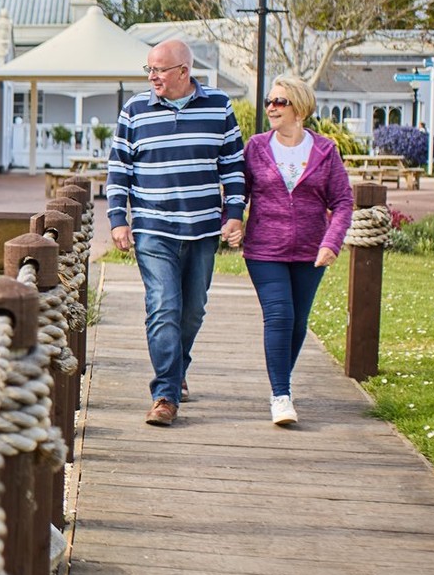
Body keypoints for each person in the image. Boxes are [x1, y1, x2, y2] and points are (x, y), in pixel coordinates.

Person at [107, 39, 246, 427]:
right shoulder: (135, 110)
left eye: (159, 70)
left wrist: (234, 214)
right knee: (164, 306)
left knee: (192, 310)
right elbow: (118, 170)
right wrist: (118, 219)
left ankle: (176, 366)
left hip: (202, 230)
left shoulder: (218, 107)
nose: (152, 77)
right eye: (148, 69)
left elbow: (233, 167)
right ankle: (165, 394)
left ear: (184, 71)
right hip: (153, 229)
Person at [236, 76, 352, 426]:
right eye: (269, 101)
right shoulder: (255, 147)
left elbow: (344, 202)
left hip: (310, 252)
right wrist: (232, 220)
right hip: (264, 249)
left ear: (299, 108)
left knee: (299, 322)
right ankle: (281, 395)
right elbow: (239, 192)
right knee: (280, 316)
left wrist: (332, 242)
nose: (271, 107)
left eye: (279, 102)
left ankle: (280, 385)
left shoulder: (325, 150)